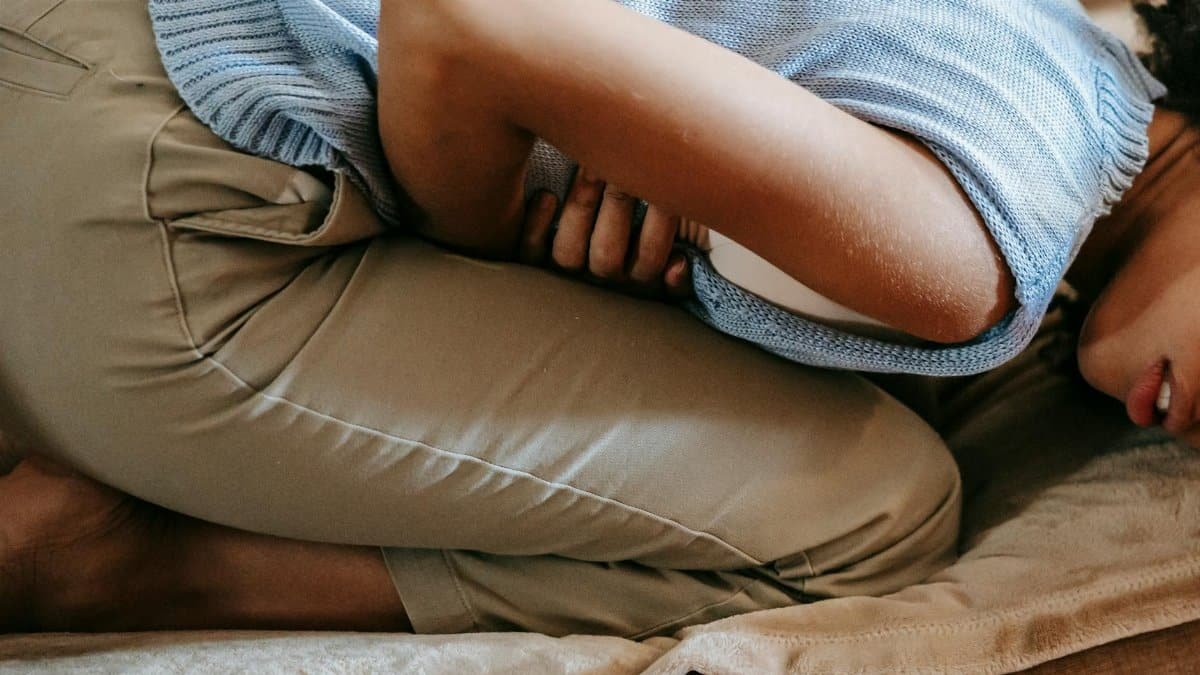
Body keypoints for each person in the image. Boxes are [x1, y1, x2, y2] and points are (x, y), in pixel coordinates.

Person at [0, 0, 1194, 636]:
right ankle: (119, 567)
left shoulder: (1051, 53)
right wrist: (504, 255)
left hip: (90, 66)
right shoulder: (969, 249)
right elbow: (467, 22)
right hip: (149, 201)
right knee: (882, 515)